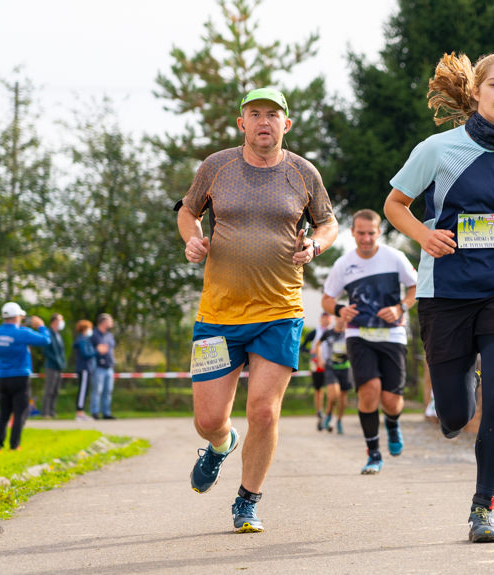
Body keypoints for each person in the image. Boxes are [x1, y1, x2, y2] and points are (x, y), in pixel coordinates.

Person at [384, 52, 494, 543]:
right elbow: (394, 205)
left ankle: (483, 507)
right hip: (447, 293)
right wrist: (424, 235)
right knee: (455, 415)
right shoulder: (440, 149)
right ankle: (462, 384)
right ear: (477, 91)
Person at [177, 87, 338, 533]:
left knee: (264, 411)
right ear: (241, 122)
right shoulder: (217, 166)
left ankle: (247, 500)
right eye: (255, 114)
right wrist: (192, 238)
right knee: (208, 419)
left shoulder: (303, 173)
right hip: (218, 315)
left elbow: (327, 221)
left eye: (272, 115)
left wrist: (316, 243)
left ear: (286, 124)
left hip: (280, 311)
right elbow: (188, 212)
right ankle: (221, 444)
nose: (263, 121)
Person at [322, 209, 418, 475]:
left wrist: (400, 308)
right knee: (369, 390)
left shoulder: (395, 257)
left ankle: (392, 421)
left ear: (379, 232)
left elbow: (415, 288)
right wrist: (340, 310)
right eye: (360, 233)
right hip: (358, 334)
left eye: (371, 233)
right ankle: (373, 453)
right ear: (352, 232)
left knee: (391, 401)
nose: (365, 239)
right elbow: (327, 299)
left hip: (392, 334)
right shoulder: (343, 264)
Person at [0, 302, 51, 451]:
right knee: (20, 413)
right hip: (20, 377)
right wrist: (41, 326)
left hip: (3, 377)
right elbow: (46, 340)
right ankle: (14, 445)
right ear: (17, 316)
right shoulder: (22, 333)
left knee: (4, 412)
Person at [317, 315, 354, 435]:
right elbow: (317, 344)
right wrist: (320, 358)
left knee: (343, 397)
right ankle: (328, 415)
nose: (342, 321)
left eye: (344, 319)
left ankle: (339, 421)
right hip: (331, 367)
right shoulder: (328, 333)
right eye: (339, 318)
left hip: (345, 368)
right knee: (333, 395)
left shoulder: (350, 333)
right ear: (335, 319)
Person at [89, 313, 116, 420]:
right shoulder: (94, 335)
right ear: (103, 322)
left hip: (109, 367)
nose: (112, 323)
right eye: (110, 321)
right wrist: (97, 350)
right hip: (98, 367)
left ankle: (106, 413)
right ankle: (95, 412)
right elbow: (89, 350)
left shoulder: (109, 335)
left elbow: (112, 348)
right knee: (97, 390)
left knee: (108, 391)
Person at [309, 312, 333, 430]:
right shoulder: (316, 331)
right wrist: (310, 350)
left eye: (328, 319)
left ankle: (328, 415)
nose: (326, 321)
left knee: (331, 390)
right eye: (324, 319)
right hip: (316, 364)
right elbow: (302, 345)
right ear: (320, 320)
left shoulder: (334, 331)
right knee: (318, 390)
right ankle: (319, 411)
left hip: (330, 364)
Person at [41, 313, 66, 419]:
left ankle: (52, 411)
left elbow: (61, 351)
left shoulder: (58, 334)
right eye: (60, 320)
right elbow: (47, 351)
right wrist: (57, 361)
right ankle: (45, 412)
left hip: (58, 366)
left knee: (55, 390)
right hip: (51, 366)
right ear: (54, 321)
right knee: (49, 390)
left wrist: (62, 363)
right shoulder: (48, 333)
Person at [72, 320, 97, 421]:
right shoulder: (81, 340)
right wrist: (97, 351)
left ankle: (81, 412)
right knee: (82, 391)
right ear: (85, 329)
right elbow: (85, 354)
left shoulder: (85, 339)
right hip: (84, 369)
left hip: (87, 368)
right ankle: (79, 413)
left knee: (85, 391)